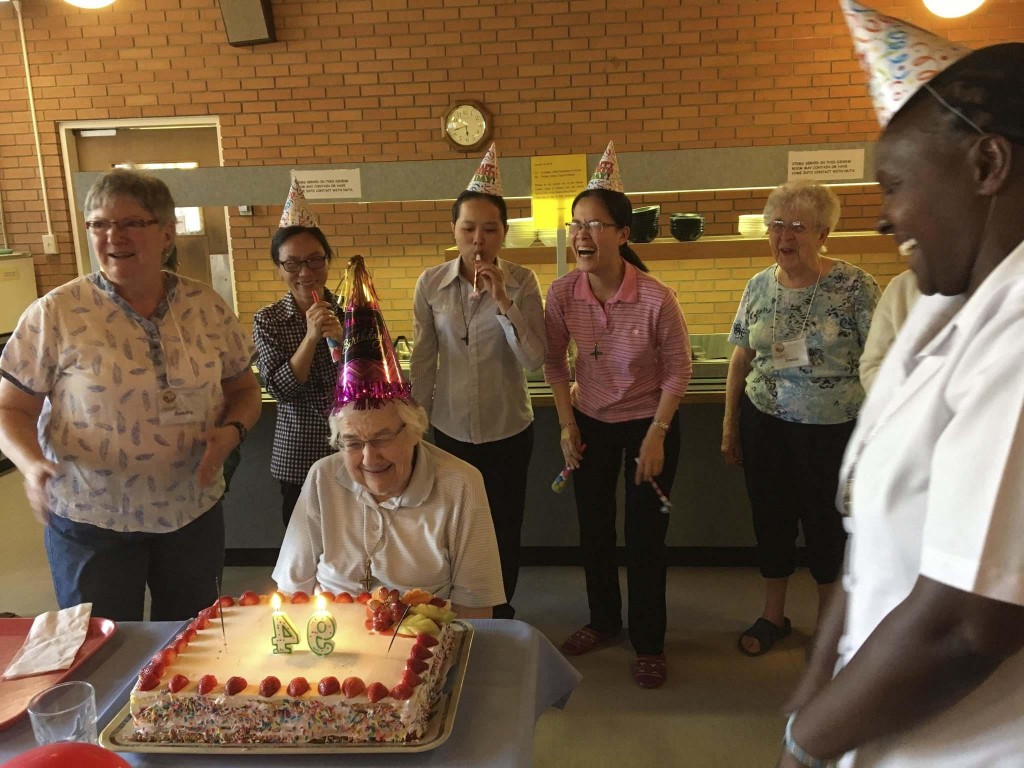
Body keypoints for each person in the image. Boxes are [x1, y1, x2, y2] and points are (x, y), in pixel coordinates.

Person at [778, 5, 1024, 766]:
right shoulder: (936, 310)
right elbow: (870, 550)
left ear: (987, 166)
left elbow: (965, 625)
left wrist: (805, 742)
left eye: (894, 186)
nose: (884, 219)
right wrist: (814, 692)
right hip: (871, 726)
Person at [0, 168, 261, 622]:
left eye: (130, 223)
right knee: (99, 648)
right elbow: (9, 408)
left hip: (190, 512)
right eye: (98, 223)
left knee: (191, 643)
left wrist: (233, 431)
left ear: (166, 233)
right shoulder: (55, 313)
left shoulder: (207, 307)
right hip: (91, 516)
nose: (112, 235)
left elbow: (243, 388)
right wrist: (31, 464)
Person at [274, 256, 504, 619]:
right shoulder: (321, 478)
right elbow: (291, 593)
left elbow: (476, 610)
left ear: (414, 431)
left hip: (421, 652)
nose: (369, 459)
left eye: (382, 438)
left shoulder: (460, 485)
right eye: (352, 442)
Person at [544, 142, 692, 689]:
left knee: (646, 537)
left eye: (597, 225)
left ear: (624, 235)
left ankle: (649, 640)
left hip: (647, 424)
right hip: (589, 421)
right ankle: (604, 621)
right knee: (594, 529)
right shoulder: (562, 293)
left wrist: (657, 433)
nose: (582, 235)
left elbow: (680, 369)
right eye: (577, 224)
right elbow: (553, 362)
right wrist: (566, 424)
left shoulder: (656, 297)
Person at [722, 180, 879, 657]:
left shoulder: (856, 287)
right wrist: (731, 424)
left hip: (834, 428)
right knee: (771, 518)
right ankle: (774, 616)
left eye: (797, 227)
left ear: (823, 233)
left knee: (826, 522)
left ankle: (829, 624)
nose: (783, 236)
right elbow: (740, 356)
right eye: (776, 225)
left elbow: (882, 362)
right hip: (764, 421)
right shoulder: (759, 285)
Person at [411, 144, 545, 619]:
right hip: (450, 428)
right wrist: (414, 420)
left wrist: (504, 301)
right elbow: (425, 357)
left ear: (504, 234)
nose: (479, 239)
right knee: (451, 523)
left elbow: (535, 359)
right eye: (469, 228)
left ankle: (501, 608)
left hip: (509, 428)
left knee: (505, 524)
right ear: (455, 231)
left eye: (490, 229)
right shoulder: (430, 284)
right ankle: (458, 608)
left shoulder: (524, 282)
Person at [253, 179, 344, 526]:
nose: (305, 273)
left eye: (314, 261)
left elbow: (371, 384)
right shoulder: (269, 320)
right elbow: (279, 390)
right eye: (292, 264)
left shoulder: (353, 311)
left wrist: (344, 345)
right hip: (298, 455)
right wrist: (310, 338)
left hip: (352, 450)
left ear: (327, 262)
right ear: (279, 268)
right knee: (303, 550)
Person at [858, 269, 920, 392]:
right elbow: (872, 366)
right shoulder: (902, 286)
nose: (913, 260)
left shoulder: (857, 283)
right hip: (905, 406)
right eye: (909, 249)